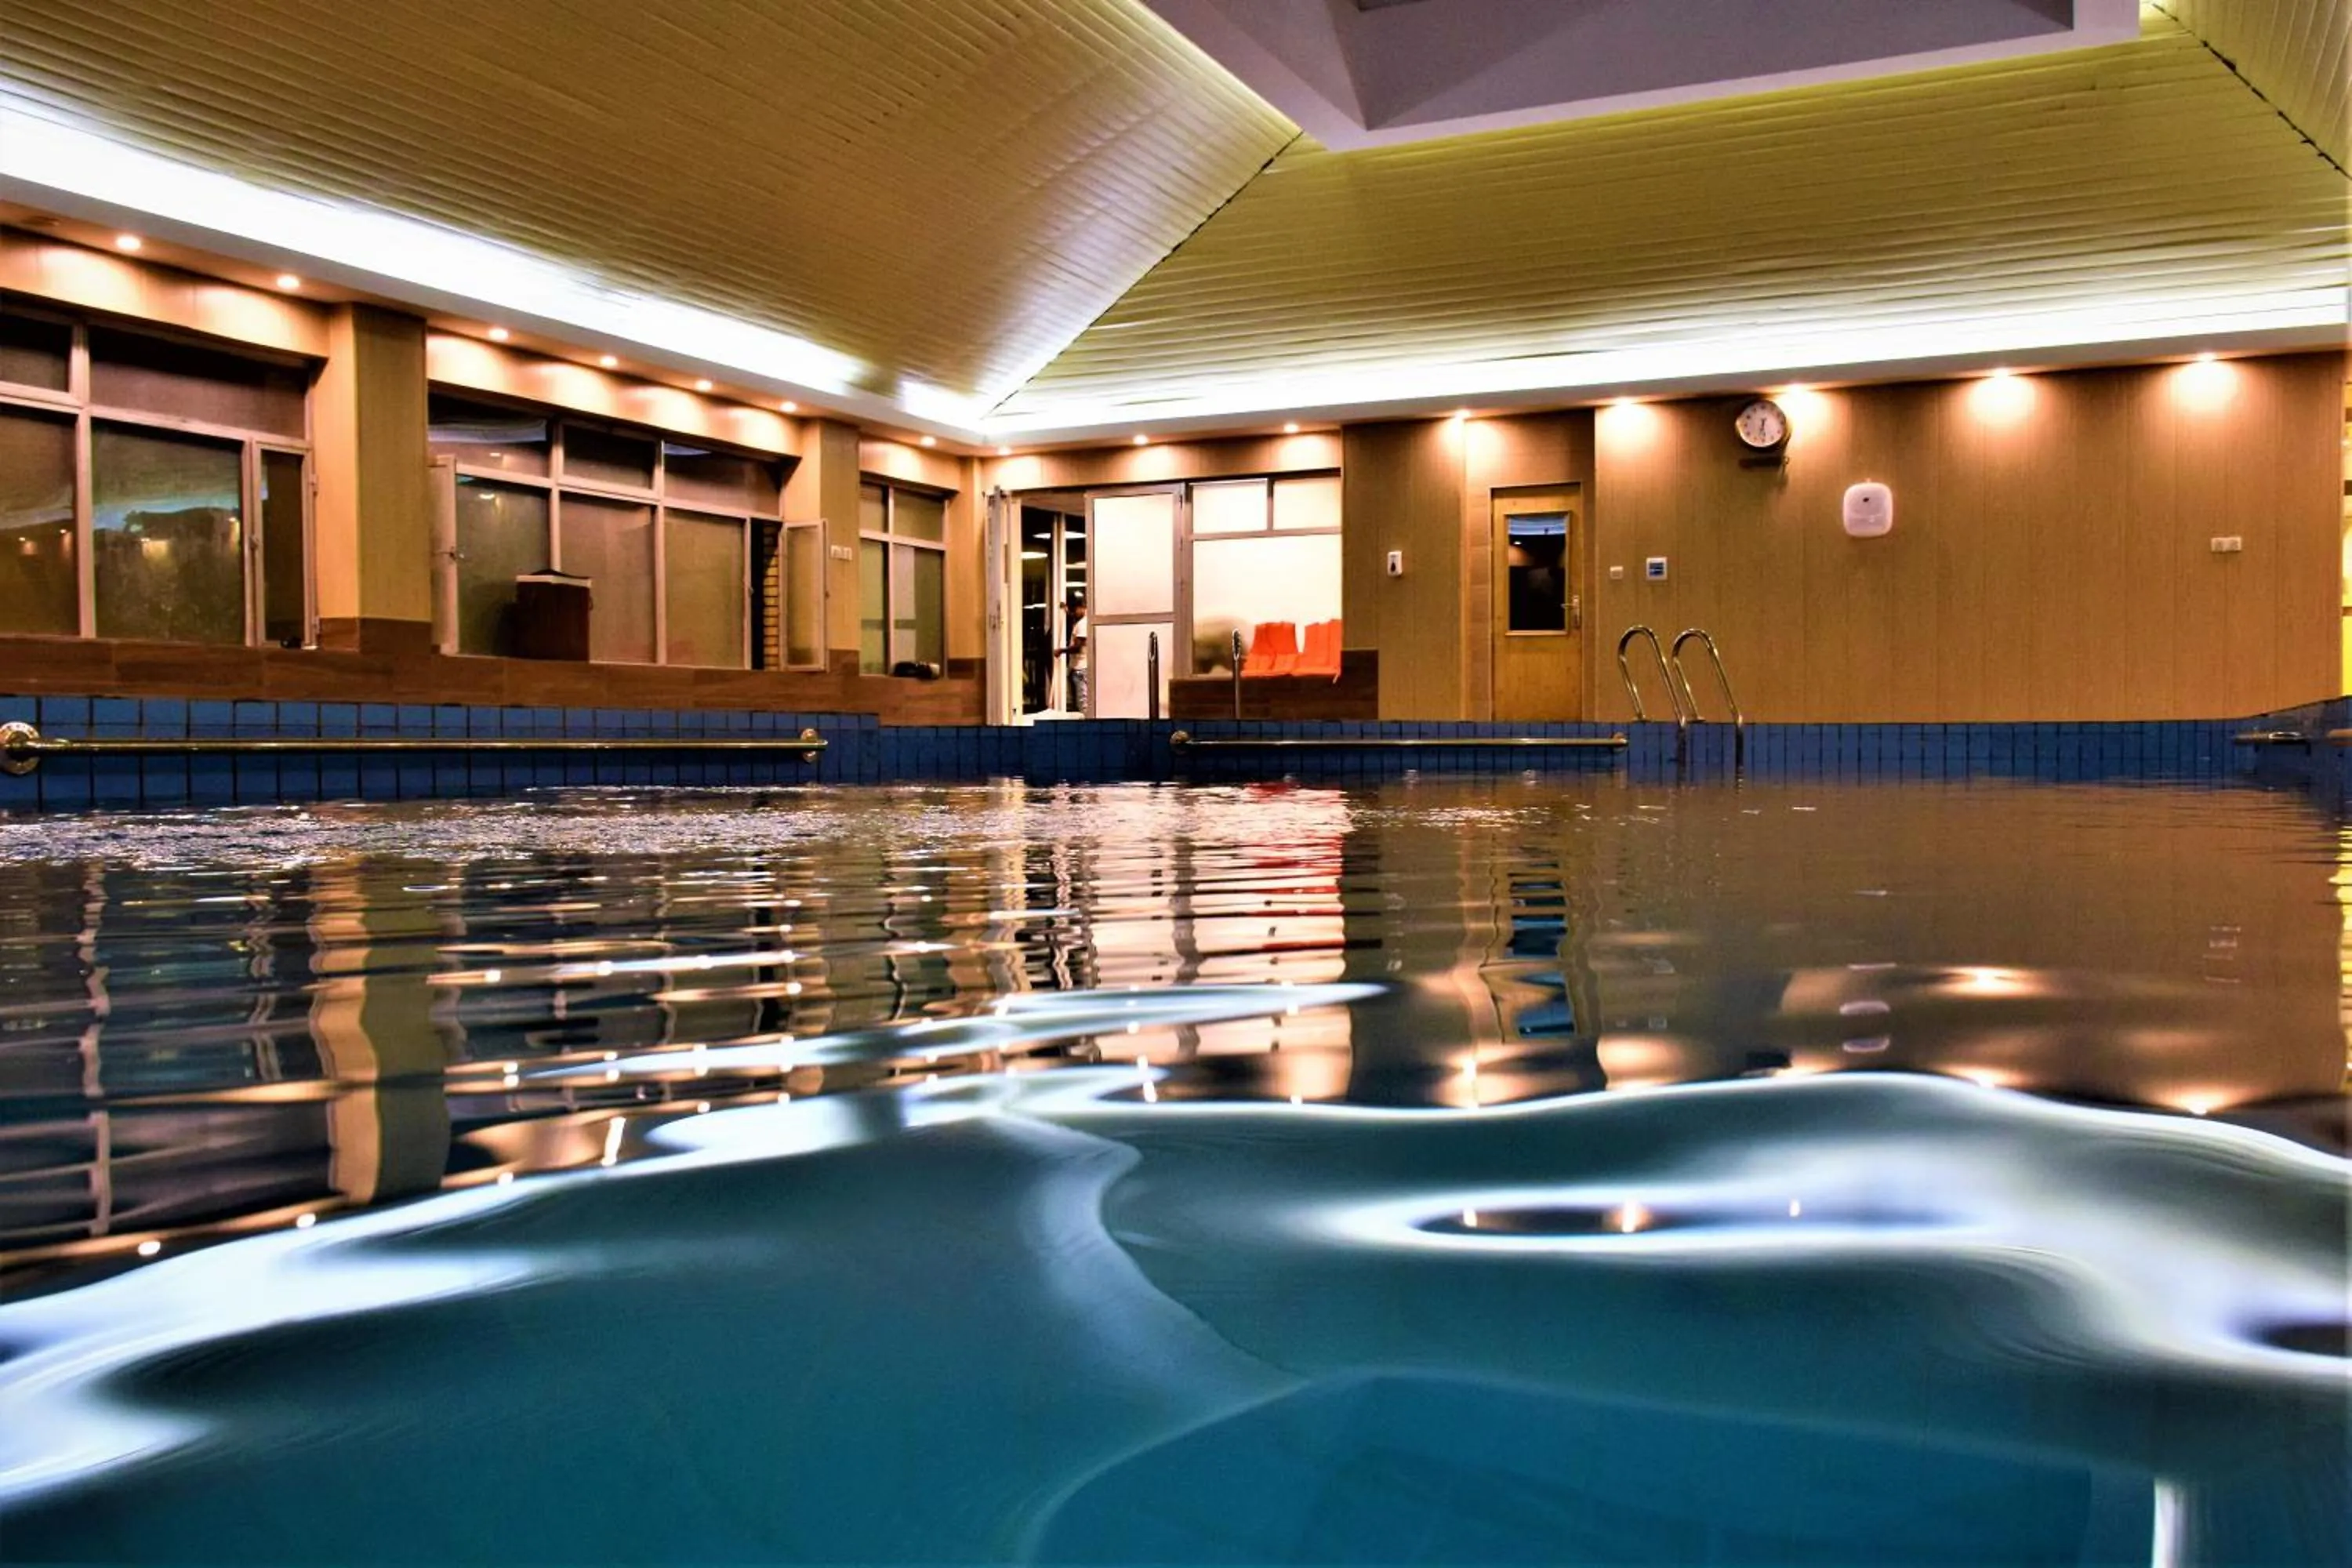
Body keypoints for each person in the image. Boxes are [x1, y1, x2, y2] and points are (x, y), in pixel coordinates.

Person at [1065, 590, 1089, 714]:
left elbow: (1077, 647)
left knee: (1083, 704)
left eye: (1074, 610)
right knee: (1078, 703)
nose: (1073, 613)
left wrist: (1061, 651)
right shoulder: (1081, 620)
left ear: (1081, 607)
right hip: (1077, 668)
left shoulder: (1083, 624)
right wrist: (1065, 610)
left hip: (1080, 669)